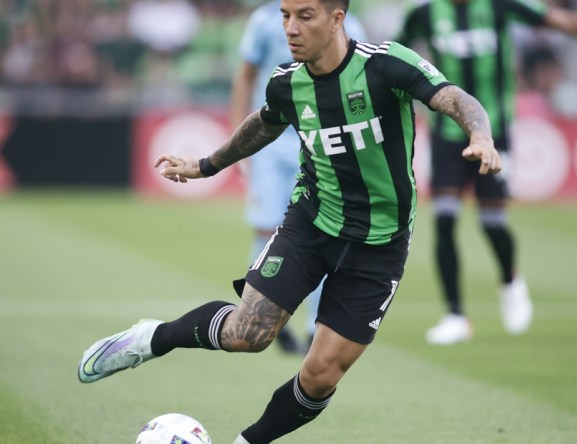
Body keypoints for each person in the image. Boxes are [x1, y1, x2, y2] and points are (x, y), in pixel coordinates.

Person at [77, 0, 502, 442]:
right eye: (285, 16)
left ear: (337, 19)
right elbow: (263, 125)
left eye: (305, 16)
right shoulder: (287, 83)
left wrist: (481, 135)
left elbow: (455, 97)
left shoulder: (387, 64)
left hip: (381, 243)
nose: (290, 28)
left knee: (320, 376)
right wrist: (204, 165)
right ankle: (151, 338)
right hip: (312, 224)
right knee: (249, 333)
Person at [396, 0, 577, 345]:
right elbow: (392, 53)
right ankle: (455, 316)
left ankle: (509, 279)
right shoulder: (425, 14)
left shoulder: (499, 6)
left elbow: (562, 20)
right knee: (445, 219)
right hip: (448, 135)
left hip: (495, 131)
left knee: (493, 225)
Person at [230, 0, 367, 353]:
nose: (292, 27)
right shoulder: (263, 21)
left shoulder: (347, 23)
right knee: (266, 227)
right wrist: (238, 139)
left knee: (326, 230)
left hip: (321, 140)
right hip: (272, 143)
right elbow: (245, 75)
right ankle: (260, 315)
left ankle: (312, 327)